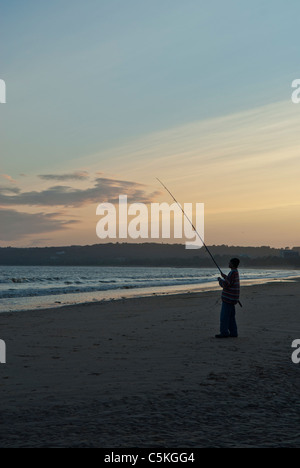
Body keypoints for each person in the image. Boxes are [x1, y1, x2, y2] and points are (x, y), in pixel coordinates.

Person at [215, 258, 240, 339]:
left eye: (229, 262)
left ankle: (224, 332)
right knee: (231, 317)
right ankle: (233, 332)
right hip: (233, 298)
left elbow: (226, 284)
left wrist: (220, 280)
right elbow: (230, 281)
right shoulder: (235, 272)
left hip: (228, 299)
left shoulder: (232, 273)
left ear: (232, 264)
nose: (228, 263)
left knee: (224, 317)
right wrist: (225, 276)